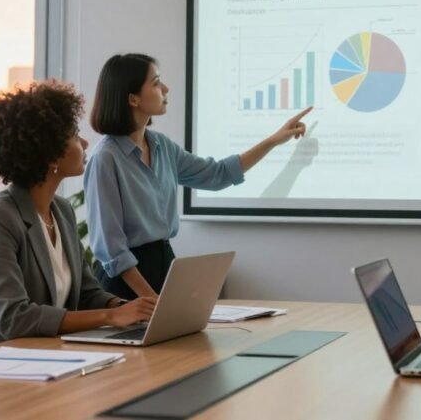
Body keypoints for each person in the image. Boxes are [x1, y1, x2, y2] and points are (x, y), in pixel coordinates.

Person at [0, 81, 156, 353]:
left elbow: (87, 294)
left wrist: (127, 308)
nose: (85, 143)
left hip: (43, 354)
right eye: (75, 135)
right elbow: (14, 318)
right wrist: (110, 316)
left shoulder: (61, 210)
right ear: (50, 154)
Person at [85, 53, 310, 300]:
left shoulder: (161, 146)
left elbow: (218, 174)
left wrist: (273, 140)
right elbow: (112, 249)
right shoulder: (105, 158)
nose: (166, 88)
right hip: (126, 283)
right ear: (133, 98)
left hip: (164, 266)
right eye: (156, 82)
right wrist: (151, 300)